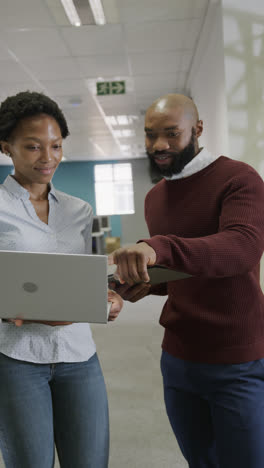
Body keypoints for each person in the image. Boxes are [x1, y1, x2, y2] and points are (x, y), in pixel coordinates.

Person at [108, 94, 264, 468]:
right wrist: (143, 283)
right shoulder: (154, 197)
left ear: (197, 129)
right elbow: (179, 272)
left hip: (236, 359)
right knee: (200, 461)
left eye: (171, 134)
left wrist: (158, 248)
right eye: (150, 135)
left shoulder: (239, 178)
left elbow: (242, 247)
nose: (158, 145)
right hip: (178, 357)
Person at [0, 91, 123, 468]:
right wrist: (23, 311)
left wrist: (108, 296)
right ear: (7, 147)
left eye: (56, 145)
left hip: (79, 354)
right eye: (33, 146)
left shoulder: (79, 210)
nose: (48, 157)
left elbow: (79, 275)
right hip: (17, 357)